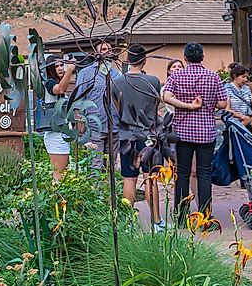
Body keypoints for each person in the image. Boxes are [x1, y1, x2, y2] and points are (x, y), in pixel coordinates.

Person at [162, 42, 227, 221]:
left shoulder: (177, 76)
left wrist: (187, 106)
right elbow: (223, 103)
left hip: (182, 132)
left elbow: (166, 97)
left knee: (182, 173)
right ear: (202, 58)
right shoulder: (213, 76)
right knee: (204, 173)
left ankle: (182, 217)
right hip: (206, 132)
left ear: (185, 58)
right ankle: (205, 217)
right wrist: (208, 104)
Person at [112, 44, 163, 229]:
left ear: (127, 61)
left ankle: (127, 222)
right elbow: (156, 104)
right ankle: (157, 221)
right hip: (148, 134)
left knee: (129, 178)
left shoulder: (117, 81)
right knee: (151, 178)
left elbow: (116, 105)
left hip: (127, 135)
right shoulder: (153, 81)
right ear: (144, 61)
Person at [71, 40, 122, 172]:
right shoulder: (86, 73)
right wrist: (79, 121)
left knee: (111, 165)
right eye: (104, 49)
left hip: (114, 125)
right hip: (94, 125)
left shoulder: (117, 74)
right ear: (96, 53)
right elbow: (78, 98)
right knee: (95, 165)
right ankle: (95, 192)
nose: (107, 52)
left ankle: (110, 192)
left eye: (109, 49)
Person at [41, 58, 77, 182]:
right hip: (55, 134)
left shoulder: (58, 83)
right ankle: (56, 199)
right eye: (57, 66)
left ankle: (60, 199)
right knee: (59, 174)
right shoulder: (49, 83)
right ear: (50, 68)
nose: (61, 68)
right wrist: (70, 70)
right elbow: (59, 89)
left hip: (61, 133)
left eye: (62, 65)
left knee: (63, 172)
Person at [224, 63, 252, 130]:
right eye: (243, 77)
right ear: (235, 76)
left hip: (247, 123)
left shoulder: (247, 88)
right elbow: (227, 109)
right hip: (233, 124)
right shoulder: (227, 89)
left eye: (247, 77)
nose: (245, 80)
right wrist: (242, 117)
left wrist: (248, 119)